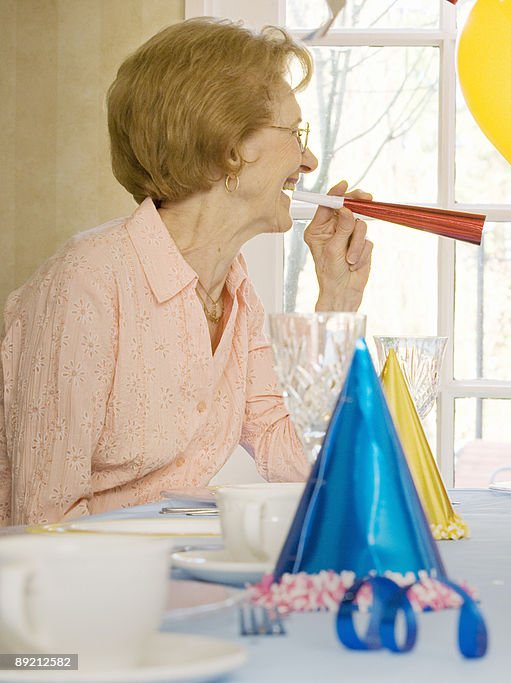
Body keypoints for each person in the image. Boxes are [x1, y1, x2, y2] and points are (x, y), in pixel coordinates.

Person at [0, 18, 373, 525]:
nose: (307, 160)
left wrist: (336, 299)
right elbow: (43, 523)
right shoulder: (86, 284)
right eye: (294, 133)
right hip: (84, 591)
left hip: (166, 574)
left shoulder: (237, 292)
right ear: (229, 148)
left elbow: (300, 463)